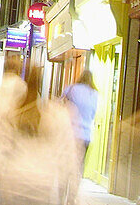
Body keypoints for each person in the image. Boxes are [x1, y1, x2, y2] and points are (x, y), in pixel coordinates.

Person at [0, 65, 78, 205]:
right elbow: (67, 156)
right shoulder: (56, 116)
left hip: (13, 181)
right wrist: (69, 194)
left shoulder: (13, 114)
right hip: (41, 185)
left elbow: (0, 149)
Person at [63, 68, 99, 203]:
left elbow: (61, 104)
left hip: (70, 133)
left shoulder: (71, 89)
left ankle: (63, 191)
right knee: (78, 167)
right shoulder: (94, 93)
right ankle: (72, 197)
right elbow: (93, 114)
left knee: (66, 164)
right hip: (85, 135)